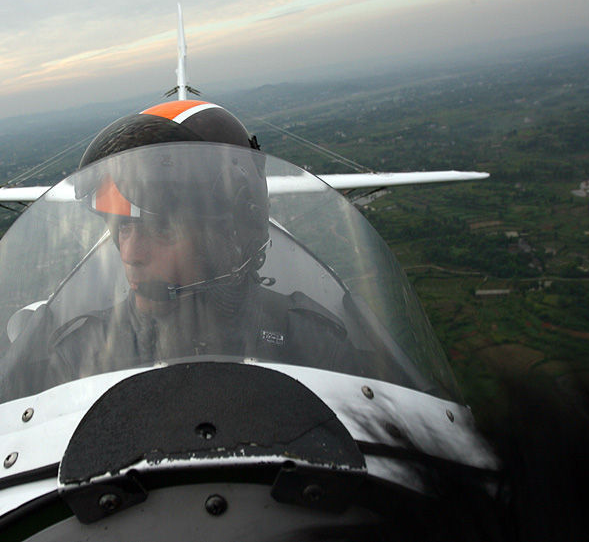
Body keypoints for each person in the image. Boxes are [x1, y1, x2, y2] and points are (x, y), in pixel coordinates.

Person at [43, 101, 357, 384]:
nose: (131, 254)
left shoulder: (312, 345)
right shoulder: (80, 356)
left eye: (161, 229)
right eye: (123, 227)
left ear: (228, 238)